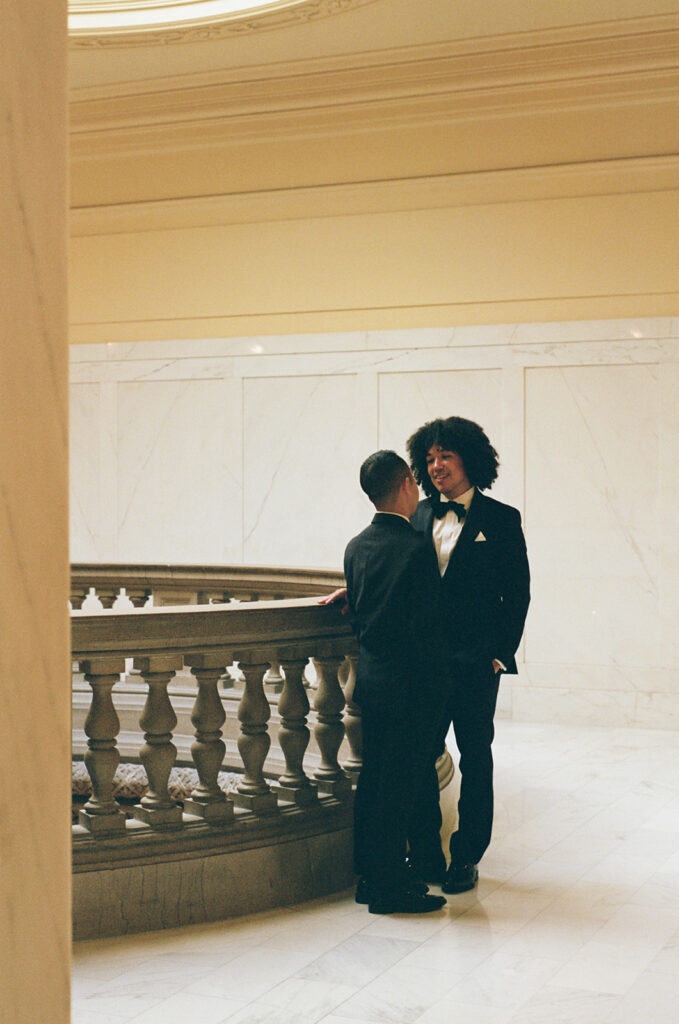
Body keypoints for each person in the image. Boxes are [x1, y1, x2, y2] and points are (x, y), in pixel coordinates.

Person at [406, 416, 530, 894]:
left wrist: (500, 652)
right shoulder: (416, 516)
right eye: (430, 458)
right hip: (425, 664)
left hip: (477, 664)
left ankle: (466, 857)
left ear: (469, 459)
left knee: (476, 758)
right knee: (420, 756)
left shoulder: (501, 519)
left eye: (446, 456)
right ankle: (425, 854)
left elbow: (517, 593)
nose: (437, 466)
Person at [343, 450, 447, 915]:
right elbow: (429, 627)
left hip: (372, 682)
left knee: (374, 781)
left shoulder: (356, 546)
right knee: (399, 788)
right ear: (407, 483)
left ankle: (370, 878)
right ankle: (388, 889)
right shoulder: (415, 548)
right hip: (411, 688)